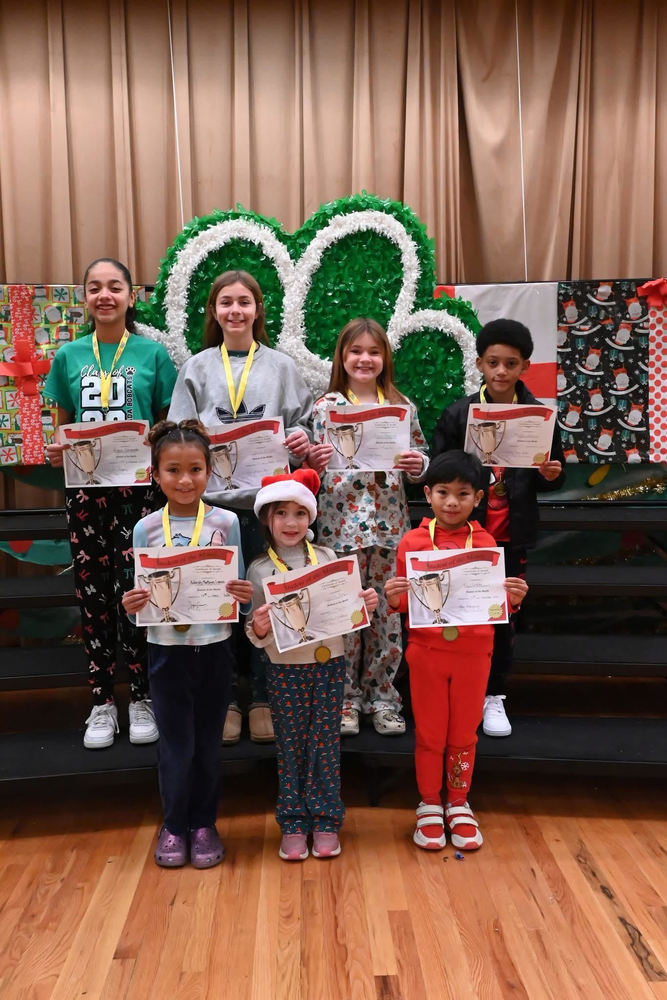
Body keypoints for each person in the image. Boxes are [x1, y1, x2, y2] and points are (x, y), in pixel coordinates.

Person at [167, 270, 313, 745]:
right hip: (213, 511)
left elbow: (304, 426)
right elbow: (177, 433)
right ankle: (228, 698)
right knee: (219, 603)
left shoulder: (281, 367)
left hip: (269, 508)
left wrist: (300, 438)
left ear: (258, 309)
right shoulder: (197, 367)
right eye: (226, 302)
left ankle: (265, 699)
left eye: (244, 302)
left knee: (269, 601)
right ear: (214, 311)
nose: (235, 310)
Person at [44, 257, 178, 749]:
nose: (105, 295)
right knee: (93, 595)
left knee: (139, 590)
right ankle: (102, 700)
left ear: (130, 296)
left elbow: (167, 427)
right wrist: (58, 448)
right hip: (85, 493)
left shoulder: (152, 354)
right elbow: (62, 427)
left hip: (139, 494)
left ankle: (142, 695)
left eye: (115, 287)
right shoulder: (69, 356)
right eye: (95, 288)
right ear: (85, 298)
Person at [122, 420, 253, 868]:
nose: (184, 480)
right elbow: (139, 594)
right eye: (173, 469)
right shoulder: (144, 529)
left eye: (195, 469)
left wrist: (241, 594)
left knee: (208, 743)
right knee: (175, 745)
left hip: (215, 647)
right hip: (166, 651)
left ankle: (205, 824)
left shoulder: (228, 521)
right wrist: (132, 601)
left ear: (210, 470)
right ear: (155, 473)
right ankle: (174, 825)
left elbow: (236, 585)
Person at [385, 451, 528, 851]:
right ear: (427, 494)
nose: (451, 502)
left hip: (474, 653)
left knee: (464, 733)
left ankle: (459, 803)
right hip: (426, 652)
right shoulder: (413, 541)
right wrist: (393, 597)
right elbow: (403, 605)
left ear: (478, 498)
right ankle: (430, 803)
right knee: (430, 734)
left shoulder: (486, 543)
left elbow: (494, 605)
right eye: (443, 492)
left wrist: (512, 600)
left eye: (462, 494)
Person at [432, 319, 564, 738]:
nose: (501, 371)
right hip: (464, 533)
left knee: (502, 618)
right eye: (493, 363)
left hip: (511, 536)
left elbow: (554, 478)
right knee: (457, 611)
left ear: (525, 366)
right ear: (479, 364)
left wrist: (550, 472)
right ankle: (455, 692)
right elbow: (437, 471)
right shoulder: (458, 413)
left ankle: (494, 696)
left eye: (511, 363)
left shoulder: (539, 415)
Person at [246, 469, 379, 861]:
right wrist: (259, 626)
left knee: (325, 743)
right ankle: (292, 821)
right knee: (291, 745)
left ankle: (325, 818)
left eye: (300, 514)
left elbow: (343, 613)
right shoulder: (258, 569)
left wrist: (362, 606)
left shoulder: (329, 558)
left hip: (329, 664)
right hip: (285, 668)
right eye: (281, 513)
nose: (291, 523)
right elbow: (255, 633)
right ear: (267, 520)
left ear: (312, 517)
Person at [307, 318, 428, 737]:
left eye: (373, 352)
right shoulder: (325, 409)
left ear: (385, 359)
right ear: (342, 357)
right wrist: (313, 464)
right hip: (339, 529)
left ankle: (383, 698)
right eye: (356, 351)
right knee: (346, 615)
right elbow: (311, 468)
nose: (364, 358)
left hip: (389, 528)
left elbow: (420, 460)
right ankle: (344, 701)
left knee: (387, 617)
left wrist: (419, 466)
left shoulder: (401, 406)